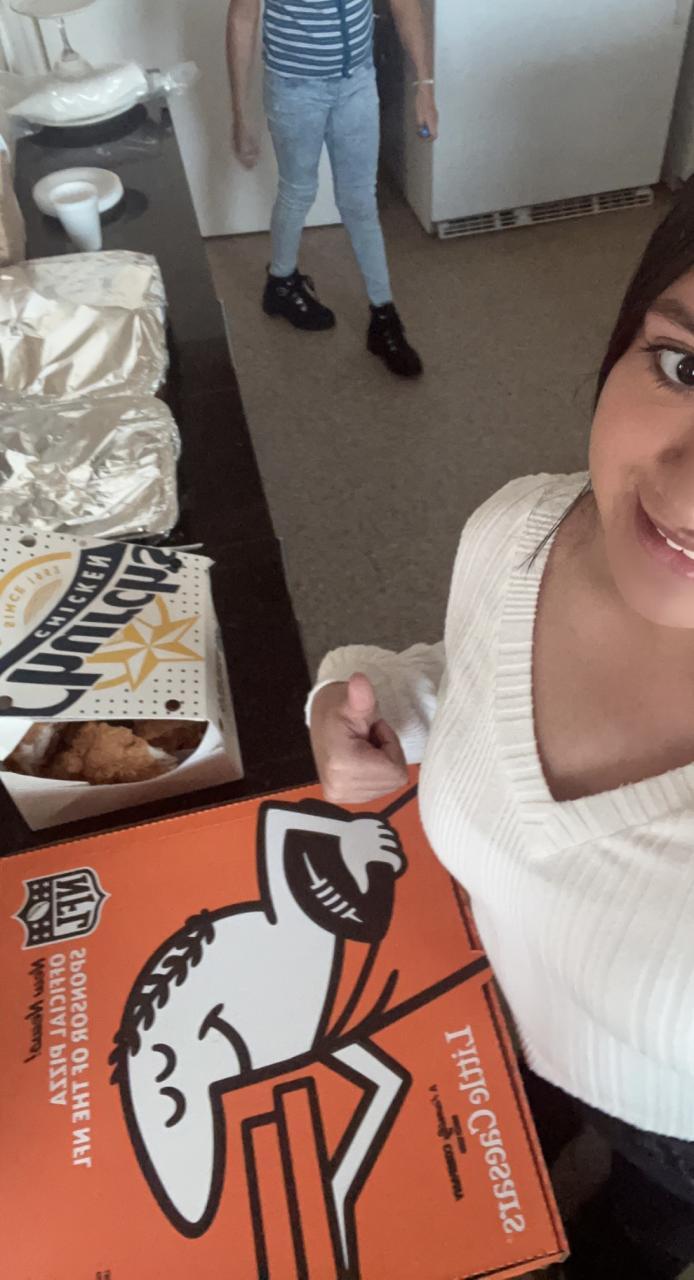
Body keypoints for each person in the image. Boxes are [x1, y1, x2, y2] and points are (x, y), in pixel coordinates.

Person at [307, 177, 694, 1279]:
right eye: (686, 367)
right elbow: (459, 668)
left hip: (676, 1137)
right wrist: (368, 700)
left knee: (641, 1229)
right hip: (494, 1010)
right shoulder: (524, 528)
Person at [225, 0, 438, 378]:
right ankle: (281, 282)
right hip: (293, 87)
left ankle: (384, 316)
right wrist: (240, 116)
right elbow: (243, 17)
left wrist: (424, 86)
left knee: (360, 200)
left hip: (357, 81)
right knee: (298, 189)